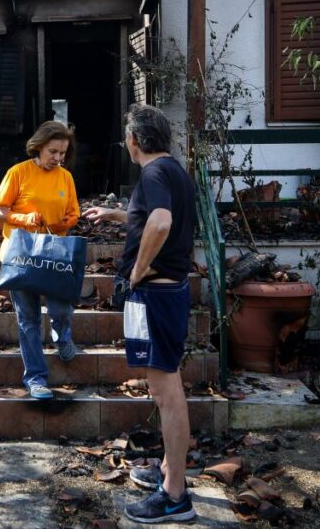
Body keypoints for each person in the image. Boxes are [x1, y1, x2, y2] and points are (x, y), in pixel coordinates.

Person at [83, 104, 197, 524]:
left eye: (126, 138)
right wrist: (116, 214)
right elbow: (155, 217)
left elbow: (162, 223)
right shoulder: (173, 171)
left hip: (156, 295)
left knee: (167, 394)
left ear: (134, 141)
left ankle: (175, 496)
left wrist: (137, 270)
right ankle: (170, 470)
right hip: (169, 294)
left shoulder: (151, 174)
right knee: (166, 388)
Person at [0, 121, 81, 400]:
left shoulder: (65, 177)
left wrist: (71, 219)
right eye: (53, 152)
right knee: (28, 319)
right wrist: (23, 218)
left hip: (54, 252)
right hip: (21, 255)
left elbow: (74, 210)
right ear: (38, 147)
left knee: (62, 307)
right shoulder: (18, 172)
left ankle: (62, 335)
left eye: (62, 153)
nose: (58, 158)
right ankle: (36, 379)